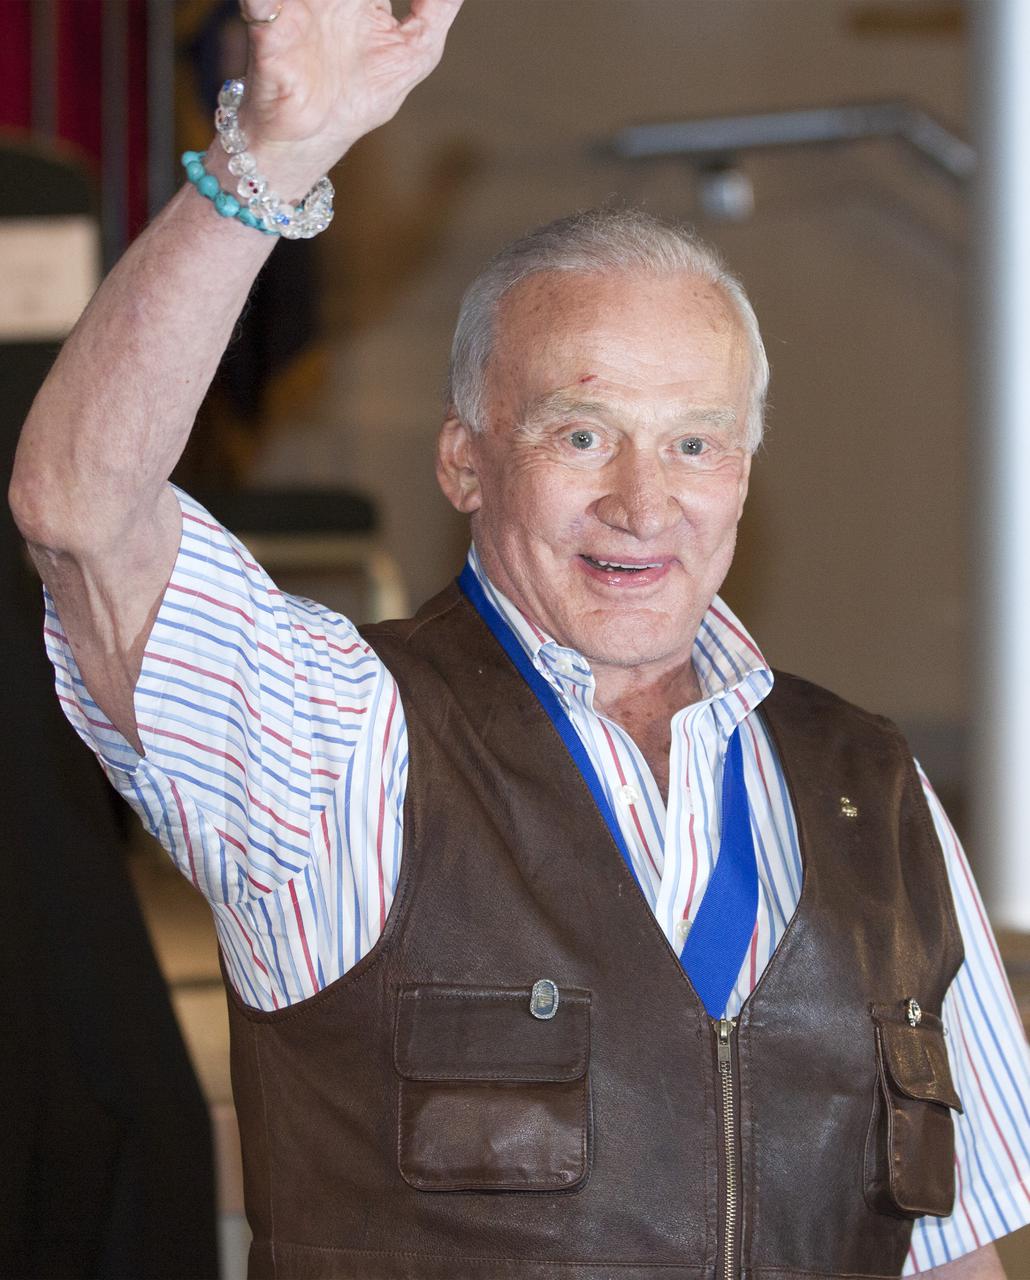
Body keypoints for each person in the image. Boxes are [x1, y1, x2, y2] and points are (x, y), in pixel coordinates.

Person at [9, 2, 1030, 1277]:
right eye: (580, 432)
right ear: (464, 460)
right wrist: (273, 159)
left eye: (695, 441)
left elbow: (953, 1255)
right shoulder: (342, 744)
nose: (643, 502)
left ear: (746, 472)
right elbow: (80, 509)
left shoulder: (872, 793)